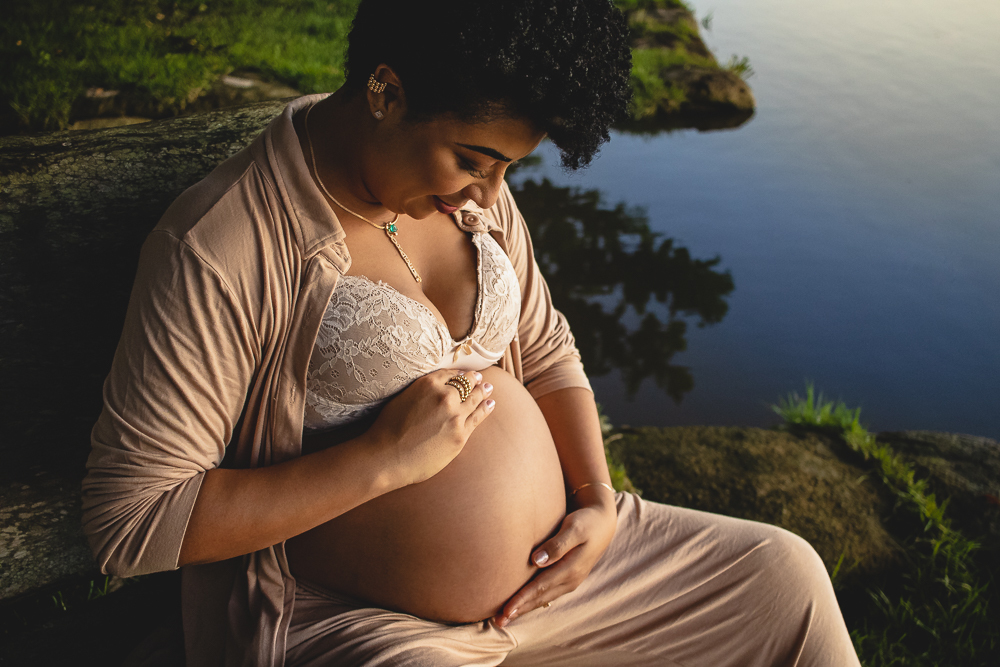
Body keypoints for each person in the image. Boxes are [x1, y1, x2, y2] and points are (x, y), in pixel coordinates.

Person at [82, 1, 862, 665]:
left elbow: (547, 345)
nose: (488, 195)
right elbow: (133, 522)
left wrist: (593, 501)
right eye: (473, 159)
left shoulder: (472, 201)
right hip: (358, 619)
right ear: (385, 91)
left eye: (509, 168)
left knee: (784, 578)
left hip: (560, 573)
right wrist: (379, 460)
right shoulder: (225, 243)